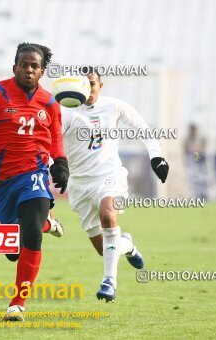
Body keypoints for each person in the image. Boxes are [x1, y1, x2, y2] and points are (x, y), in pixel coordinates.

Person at [0, 43, 69, 321]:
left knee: (32, 235)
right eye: (23, 64)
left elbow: (57, 137)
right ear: (14, 67)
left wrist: (60, 162)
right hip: (1, 182)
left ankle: (17, 304)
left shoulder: (49, 103)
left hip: (33, 175)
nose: (28, 69)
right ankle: (47, 222)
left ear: (41, 71)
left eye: (34, 66)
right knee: (11, 251)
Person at [61, 71, 169, 302]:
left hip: (109, 177)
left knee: (108, 215)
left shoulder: (114, 106)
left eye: (92, 85)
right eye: (83, 86)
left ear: (100, 84)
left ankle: (109, 281)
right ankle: (127, 244)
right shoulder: (67, 113)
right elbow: (50, 142)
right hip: (79, 186)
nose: (88, 90)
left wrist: (156, 157)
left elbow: (142, 128)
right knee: (104, 249)